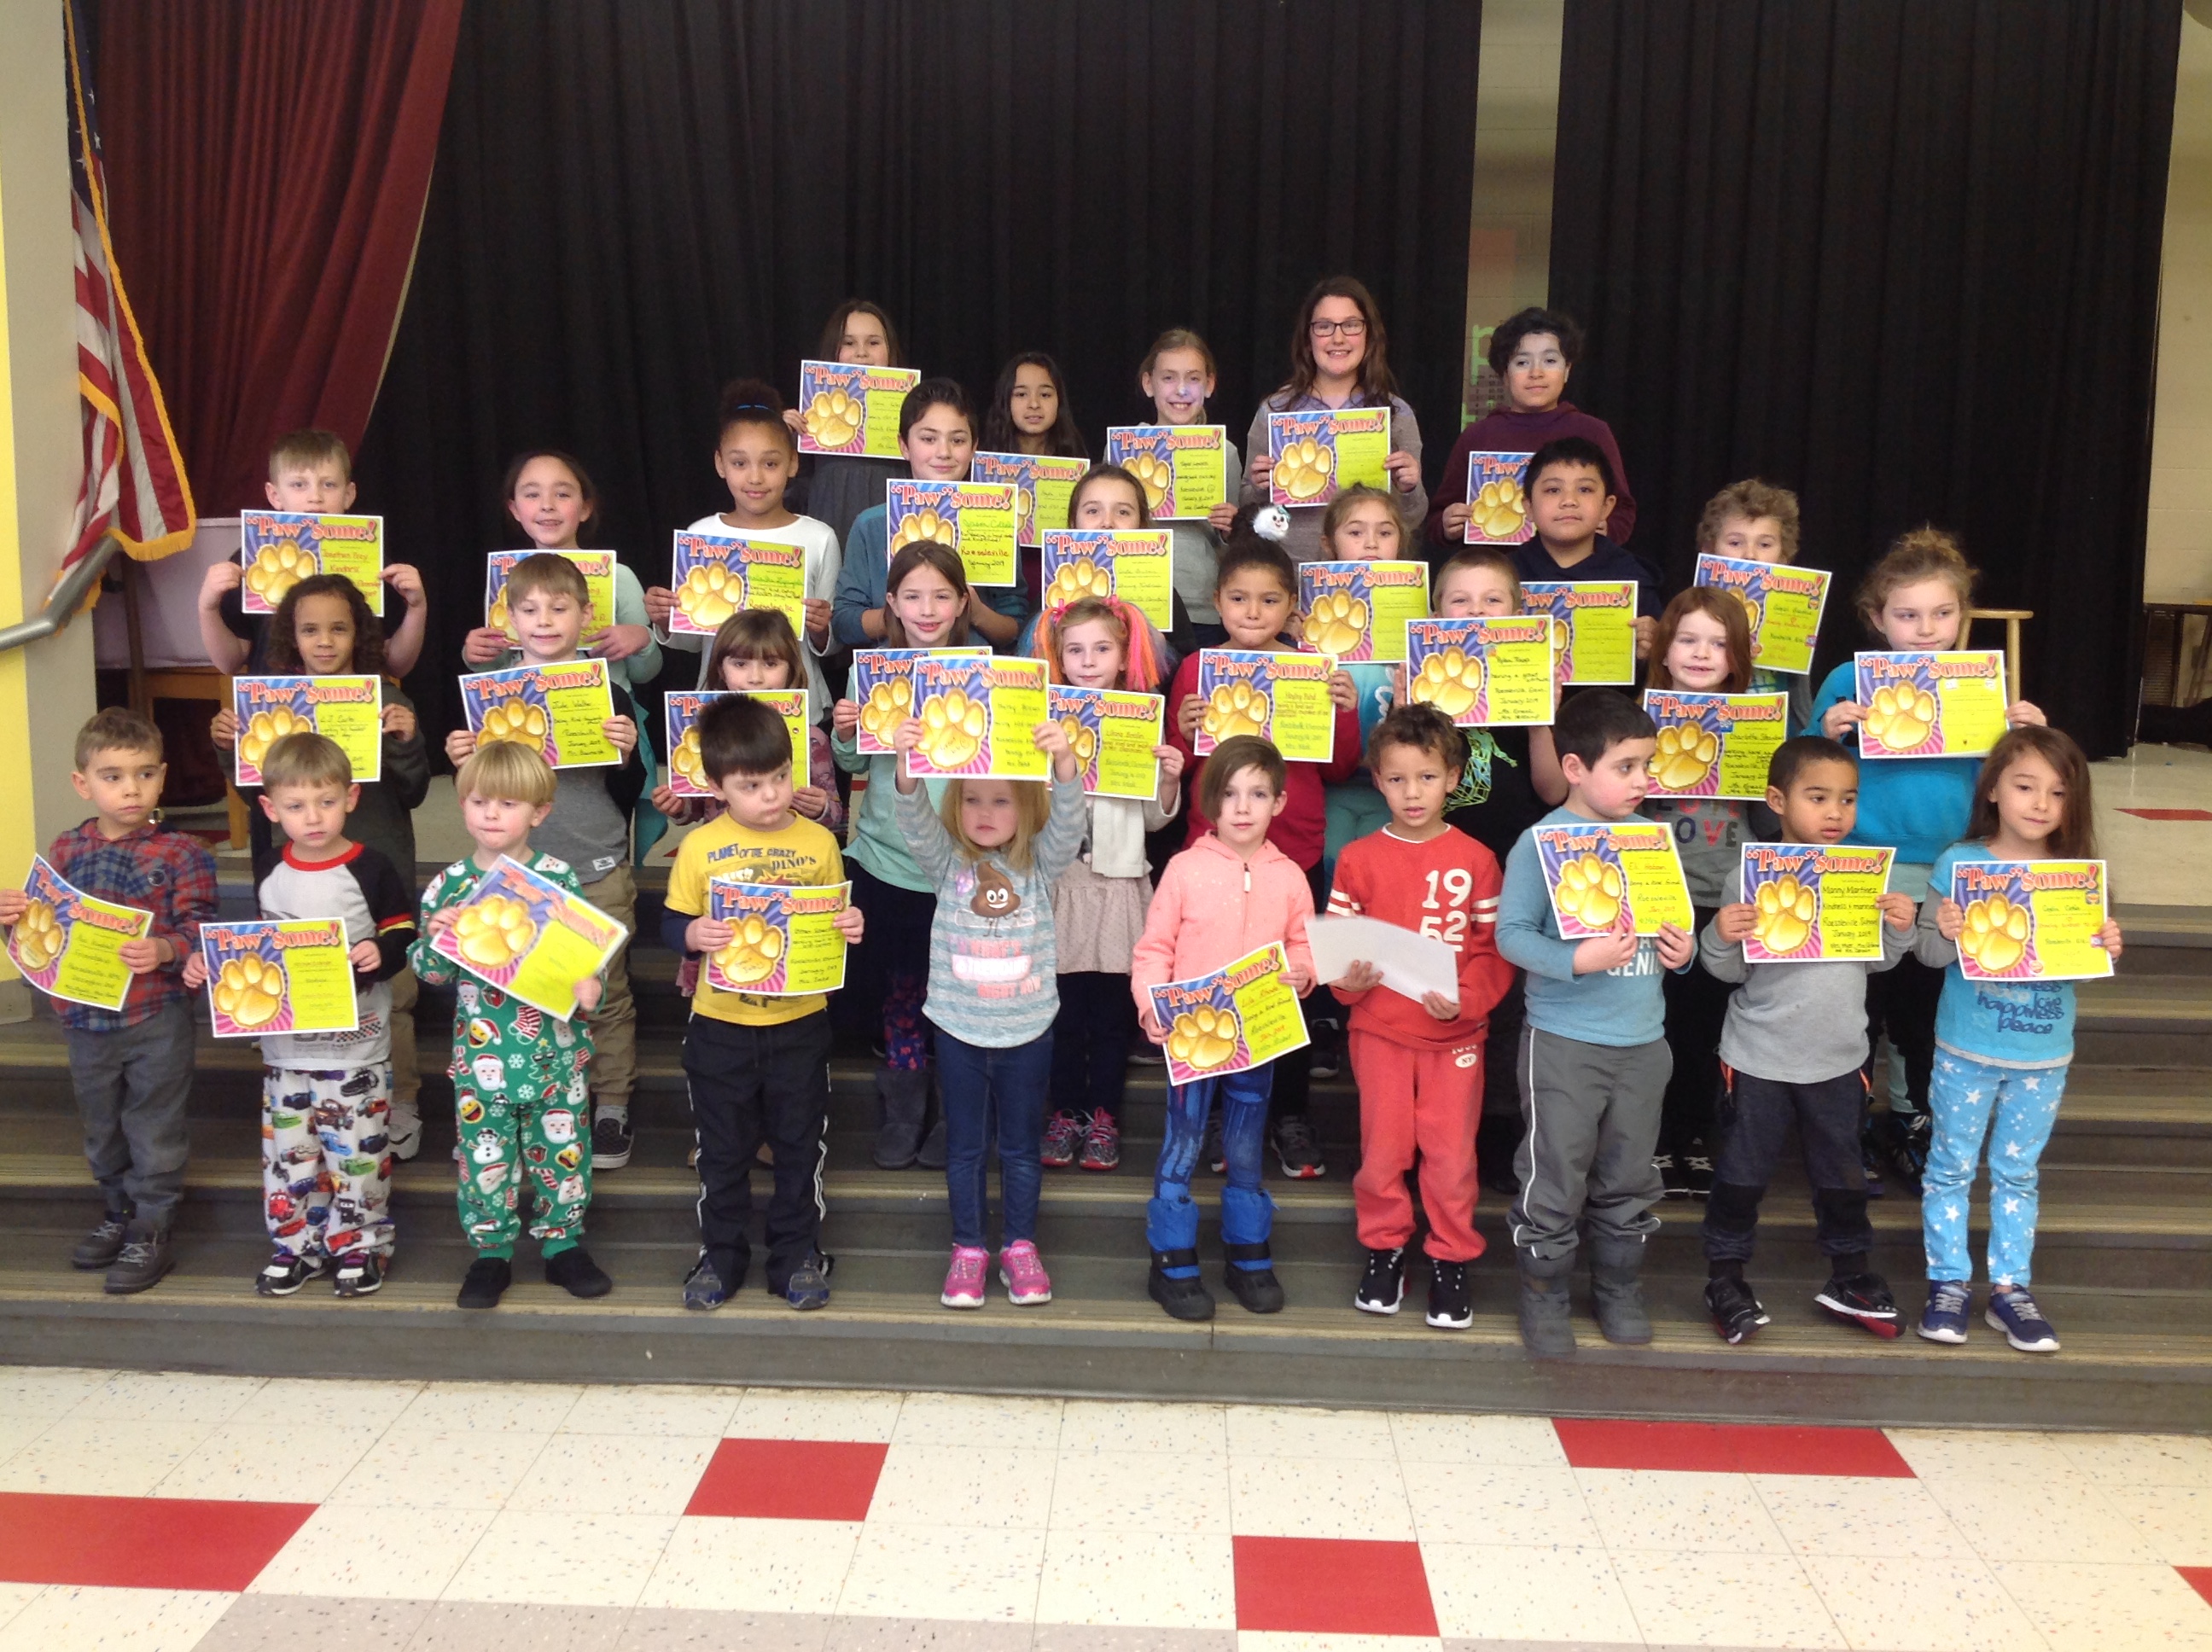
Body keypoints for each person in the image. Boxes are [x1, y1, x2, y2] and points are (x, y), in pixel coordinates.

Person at [1809, 529, 2044, 1195]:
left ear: (1962, 617)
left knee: (1927, 1007)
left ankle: (1912, 1119)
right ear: (1877, 618)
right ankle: (1847, 1118)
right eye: (1907, 615)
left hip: (1949, 873)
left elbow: (2020, 783)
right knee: (1859, 1002)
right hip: (1863, 868)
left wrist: (2027, 734)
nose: (1925, 629)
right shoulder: (1848, 681)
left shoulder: (1981, 689)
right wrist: (1823, 732)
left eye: (1942, 614)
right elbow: (1799, 776)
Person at [1697, 736, 1918, 1343]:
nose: (1834, 813)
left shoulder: (1861, 873)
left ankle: (1850, 1273)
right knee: (1742, 1171)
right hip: (1758, 1055)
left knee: (1842, 1174)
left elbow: (1875, 964)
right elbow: (1729, 971)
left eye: (1847, 800)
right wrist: (1719, 935)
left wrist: (1897, 930)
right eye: (1817, 797)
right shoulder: (1750, 876)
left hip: (1839, 1059)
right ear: (1776, 800)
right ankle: (1725, 1274)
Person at [1494, 689, 1695, 1354]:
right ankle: (1544, 1292)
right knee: (1555, 1172)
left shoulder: (1649, 840)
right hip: (1563, 1043)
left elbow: (1677, 925)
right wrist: (1575, 959)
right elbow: (1512, 936)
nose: (1644, 780)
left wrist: (1683, 950)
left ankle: (1617, 1286)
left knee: (1629, 1173)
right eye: (1628, 767)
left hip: (1644, 1041)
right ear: (1575, 768)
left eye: (1648, 765)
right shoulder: (1540, 841)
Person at [183, 732, 416, 1297]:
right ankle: (297, 1246)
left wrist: (380, 954)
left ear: (351, 798)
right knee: (291, 1160)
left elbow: (404, 932)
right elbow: (258, 954)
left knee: (357, 1157)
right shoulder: (267, 869)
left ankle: (361, 1246)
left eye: (326, 802)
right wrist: (211, 966)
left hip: (354, 1048)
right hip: (286, 1053)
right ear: (269, 808)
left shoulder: (372, 866)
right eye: (295, 806)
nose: (313, 817)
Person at [1913, 726, 2122, 1353]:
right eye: (2025, 786)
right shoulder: (1959, 863)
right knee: (1949, 1167)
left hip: (2042, 1055)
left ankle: (2010, 1289)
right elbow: (1925, 953)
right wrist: (1945, 929)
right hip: (1963, 1049)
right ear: (1995, 790)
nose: (2040, 803)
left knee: (2017, 1173)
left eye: (2057, 793)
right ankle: (1948, 1282)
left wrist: (2104, 948)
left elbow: (2080, 969)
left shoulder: (2076, 876)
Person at [209, 573, 432, 1159]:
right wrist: (228, 743)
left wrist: (408, 741)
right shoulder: (267, 700)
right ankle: (300, 1094)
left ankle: (398, 1098)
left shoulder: (387, 698)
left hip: (375, 871)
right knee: (301, 981)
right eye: (309, 630)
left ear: (360, 634)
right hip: (296, 879)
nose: (325, 641)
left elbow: (414, 790)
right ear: (290, 636)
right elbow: (248, 788)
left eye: (338, 628)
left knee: (394, 992)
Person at [1163, 531, 1361, 1178]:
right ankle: (1219, 1116)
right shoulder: (1195, 670)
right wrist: (1184, 730)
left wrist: (1345, 713)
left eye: (1269, 600)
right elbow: (1181, 766)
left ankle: (1289, 1115)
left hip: (1291, 856)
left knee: (1289, 992)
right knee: (1213, 987)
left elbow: (1337, 769)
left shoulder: (1314, 668)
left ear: (1292, 608)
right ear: (1218, 602)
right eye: (1240, 599)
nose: (1253, 612)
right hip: (1212, 856)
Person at [0, 710, 216, 1294]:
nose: (130, 789)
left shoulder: (182, 852)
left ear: (163, 777)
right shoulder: (65, 850)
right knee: (101, 1125)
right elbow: (43, 939)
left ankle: (152, 1225)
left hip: (157, 1016)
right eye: (113, 776)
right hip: (83, 1020)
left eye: (144, 774)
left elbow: (203, 928)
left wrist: (167, 948)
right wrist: (13, 924)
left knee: (155, 1125)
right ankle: (117, 1212)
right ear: (83, 783)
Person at [661, 696, 864, 1312]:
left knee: (800, 1148)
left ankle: (797, 1253)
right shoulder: (701, 847)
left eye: (780, 776)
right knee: (721, 1152)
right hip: (720, 1025)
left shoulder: (818, 842)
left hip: (800, 1025)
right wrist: (693, 935)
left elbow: (833, 919)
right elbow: (672, 923)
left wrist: (851, 923)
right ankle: (720, 1256)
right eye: (752, 786)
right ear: (719, 786)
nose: (772, 795)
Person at [444, 552, 648, 1167]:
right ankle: (517, 1106)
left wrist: (626, 752)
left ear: (586, 617)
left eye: (560, 609)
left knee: (604, 992)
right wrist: (461, 756)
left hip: (595, 868)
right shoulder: (488, 694)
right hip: (513, 878)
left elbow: (632, 787)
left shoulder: (606, 689)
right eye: (529, 609)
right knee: (516, 994)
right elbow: (478, 792)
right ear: (506, 618)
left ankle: (610, 1105)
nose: (544, 620)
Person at [891, 702, 1087, 1309]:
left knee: (1023, 1151)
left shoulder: (1039, 862)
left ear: (1026, 807)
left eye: (1001, 801)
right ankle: (970, 1249)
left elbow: (1068, 819)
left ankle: (1020, 1247)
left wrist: (1062, 761)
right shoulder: (947, 862)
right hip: (958, 1032)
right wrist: (905, 758)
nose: (984, 813)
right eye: (973, 799)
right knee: (967, 1150)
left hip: (1029, 1032)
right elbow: (912, 814)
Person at [1324, 705, 1513, 1329]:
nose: (1413, 792)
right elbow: (1340, 949)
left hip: (1455, 1035)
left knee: (1451, 1155)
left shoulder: (1479, 858)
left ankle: (1451, 1257)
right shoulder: (1355, 858)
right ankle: (1384, 1250)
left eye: (1427, 777)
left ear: (1453, 777)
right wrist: (1347, 983)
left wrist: (1469, 995)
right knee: (1383, 1152)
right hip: (1378, 1031)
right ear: (1377, 780)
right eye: (1398, 778)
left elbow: (1492, 950)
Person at [411, 742, 614, 1310]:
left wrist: (589, 988)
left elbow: (585, 961)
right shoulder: (448, 886)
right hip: (482, 1061)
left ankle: (563, 1245)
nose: (491, 814)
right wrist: (437, 938)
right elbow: (427, 974)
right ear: (461, 804)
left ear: (539, 812)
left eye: (507, 803)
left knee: (563, 1155)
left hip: (556, 1054)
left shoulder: (558, 878)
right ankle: (491, 1254)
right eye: (478, 801)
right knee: (484, 1163)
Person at [1132, 736, 1317, 1320]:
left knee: (1243, 1145)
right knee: (1184, 1140)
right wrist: (1150, 1007)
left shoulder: (1289, 876)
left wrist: (1305, 973)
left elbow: (1304, 944)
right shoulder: (1184, 869)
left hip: (1258, 1039)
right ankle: (1170, 1256)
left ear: (1279, 803)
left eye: (1258, 794)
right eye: (1231, 794)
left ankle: (1247, 1250)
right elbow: (1154, 950)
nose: (1243, 807)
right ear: (1210, 805)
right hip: (1191, 1040)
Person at [830, 542, 976, 1169]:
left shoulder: (987, 672)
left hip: (964, 867)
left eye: (942, 595)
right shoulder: (873, 670)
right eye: (912, 595)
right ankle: (904, 1106)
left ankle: (956, 1111)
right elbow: (855, 763)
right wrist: (843, 734)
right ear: (890, 602)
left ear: (963, 603)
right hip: (886, 862)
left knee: (960, 995)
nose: (927, 608)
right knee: (900, 992)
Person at [1033, 581, 1183, 1173]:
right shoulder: (1043, 722)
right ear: (1058, 657)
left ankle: (1104, 1117)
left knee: (1110, 1017)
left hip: (1118, 886)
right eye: (1076, 651)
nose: (1089, 662)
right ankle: (1063, 1112)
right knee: (1064, 1014)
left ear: (1124, 657)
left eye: (1101, 650)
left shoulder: (1138, 722)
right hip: (1060, 887)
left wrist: (1168, 777)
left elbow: (1153, 818)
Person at [1432, 547, 1568, 1192]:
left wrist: (1544, 717)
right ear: (1436, 613)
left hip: (1513, 871)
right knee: (1441, 989)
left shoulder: (1524, 687)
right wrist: (1414, 708)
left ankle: (1498, 1125)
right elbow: (1406, 789)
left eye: (1494, 602)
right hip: (1439, 869)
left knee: (1507, 998)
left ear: (1518, 613)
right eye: (1461, 601)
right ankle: (1437, 1125)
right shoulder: (1427, 682)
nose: (1477, 613)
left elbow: (1550, 792)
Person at [1641, 588, 1758, 1199]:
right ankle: (1655, 1139)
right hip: (1655, 897)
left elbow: (1771, 821)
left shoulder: (1758, 721)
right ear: (1664, 648)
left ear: (1738, 657)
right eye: (1688, 639)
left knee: (1706, 1029)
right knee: (1655, 1027)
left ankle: (1692, 1135)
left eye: (1717, 643)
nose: (1701, 652)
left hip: (1722, 898)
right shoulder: (1641, 713)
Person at [649, 379, 841, 713]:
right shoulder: (702, 535)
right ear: (720, 464)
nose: (755, 478)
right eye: (740, 463)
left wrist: (823, 628)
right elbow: (693, 640)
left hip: (798, 706)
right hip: (720, 705)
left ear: (793, 463)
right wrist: (665, 619)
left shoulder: (819, 537)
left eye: (770, 463)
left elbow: (828, 642)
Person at [195, 428, 429, 681]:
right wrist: (207, 607)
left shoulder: (370, 561)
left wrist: (417, 608)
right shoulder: (254, 559)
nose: (315, 497)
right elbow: (229, 662)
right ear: (274, 495)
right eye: (299, 485)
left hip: (353, 713)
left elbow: (397, 664)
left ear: (348, 494)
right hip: (279, 711)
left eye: (328, 484)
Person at [1240, 276, 1428, 565]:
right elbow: (1248, 513)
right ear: (1308, 336)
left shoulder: (1395, 413)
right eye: (1324, 326)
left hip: (1368, 580)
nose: (1338, 338)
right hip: (1289, 577)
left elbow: (1412, 519)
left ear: (1369, 334)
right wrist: (1258, 488)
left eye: (1351, 325)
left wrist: (1410, 488)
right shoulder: (1276, 411)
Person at [830, 379, 1028, 652]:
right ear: (904, 445)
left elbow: (1014, 626)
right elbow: (844, 623)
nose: (944, 452)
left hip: (973, 681)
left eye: (957, 440)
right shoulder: (871, 525)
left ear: (973, 448)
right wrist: (904, 609)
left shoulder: (996, 520)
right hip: (891, 680)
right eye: (928, 439)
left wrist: (977, 612)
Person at [1424, 307, 1638, 553]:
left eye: (1550, 361)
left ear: (1567, 370)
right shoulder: (1477, 436)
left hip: (1571, 573)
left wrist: (1609, 529)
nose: (1536, 373)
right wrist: (1447, 524)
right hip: (1497, 574)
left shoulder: (1593, 432)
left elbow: (1622, 508)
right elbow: (1437, 517)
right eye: (1522, 362)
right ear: (1504, 374)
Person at [466, 450, 662, 695]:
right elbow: (498, 668)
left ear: (585, 508)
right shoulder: (505, 578)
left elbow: (645, 673)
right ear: (514, 509)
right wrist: (475, 655)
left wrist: (642, 640)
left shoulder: (619, 577)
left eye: (562, 494)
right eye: (532, 494)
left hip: (610, 721)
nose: (547, 505)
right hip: (529, 718)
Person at [649, 609, 844, 835]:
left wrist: (821, 808)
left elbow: (835, 815)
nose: (755, 678)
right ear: (721, 669)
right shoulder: (704, 734)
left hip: (790, 859)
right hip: (723, 858)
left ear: (791, 668)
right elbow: (698, 805)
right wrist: (679, 806)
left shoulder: (812, 739)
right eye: (740, 664)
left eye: (770, 664)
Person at [1136, 329, 1243, 649]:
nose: (1181, 389)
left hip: (1201, 607)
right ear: (1148, 384)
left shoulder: (1226, 453)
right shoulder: (1125, 448)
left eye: (1193, 379)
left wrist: (1229, 528)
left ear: (1209, 385)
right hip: (1140, 601)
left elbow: (1229, 545)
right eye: (1168, 378)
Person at [1512, 438, 1663, 643]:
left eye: (1585, 490)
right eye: (1553, 490)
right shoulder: (1502, 574)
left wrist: (1656, 648)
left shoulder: (1634, 579)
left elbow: (1659, 665)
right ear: (1528, 507)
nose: (1569, 501)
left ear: (1606, 507)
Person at [1695, 480, 1814, 735]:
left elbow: (1802, 709)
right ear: (1709, 550)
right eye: (1735, 543)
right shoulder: (1688, 612)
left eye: (1765, 544)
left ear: (1784, 556)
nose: (1750, 555)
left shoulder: (1795, 617)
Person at [786, 299, 910, 544]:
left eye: (873, 342)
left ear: (890, 349)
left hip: (894, 522)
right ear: (833, 350)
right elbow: (790, 482)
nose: (861, 352)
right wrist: (782, 434)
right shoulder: (810, 408)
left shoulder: (915, 406)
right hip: (830, 518)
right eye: (848, 343)